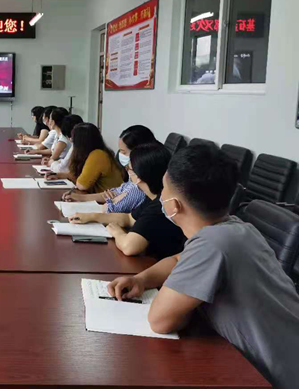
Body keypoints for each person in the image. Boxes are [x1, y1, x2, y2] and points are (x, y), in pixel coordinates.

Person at [107, 145, 299, 389]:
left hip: (273, 377)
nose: (161, 195)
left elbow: (160, 320)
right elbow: (179, 260)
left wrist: (181, 304)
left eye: (164, 189)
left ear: (173, 205)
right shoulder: (236, 228)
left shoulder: (212, 244)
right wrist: (142, 280)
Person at [70, 142, 186, 259]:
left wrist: (117, 232)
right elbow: (128, 218)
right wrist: (92, 217)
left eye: (129, 169)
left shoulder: (160, 206)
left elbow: (129, 247)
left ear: (139, 177)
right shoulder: (151, 196)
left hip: (156, 262)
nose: (127, 171)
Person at [63, 125, 156, 213]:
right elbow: (116, 192)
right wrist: (80, 197)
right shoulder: (132, 178)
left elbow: (82, 186)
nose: (120, 155)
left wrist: (113, 200)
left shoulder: (140, 184)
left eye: (123, 152)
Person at [53, 123, 124, 193]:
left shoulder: (98, 155)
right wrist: (57, 175)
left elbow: (82, 185)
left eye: (73, 139)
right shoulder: (97, 152)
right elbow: (76, 176)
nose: (71, 140)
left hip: (108, 199)